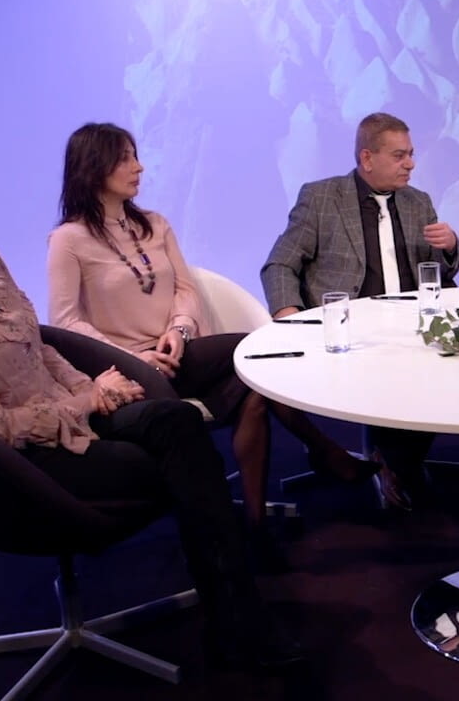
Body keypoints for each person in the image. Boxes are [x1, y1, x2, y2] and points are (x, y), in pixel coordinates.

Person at [0, 154, 303, 670]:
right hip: (32, 460)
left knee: (179, 422)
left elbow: (40, 347)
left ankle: (230, 613)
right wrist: (85, 399)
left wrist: (94, 388)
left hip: (77, 413)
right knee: (181, 467)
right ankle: (239, 617)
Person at [47, 123, 376, 540]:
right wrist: (133, 358)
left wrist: (179, 330)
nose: (139, 167)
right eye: (125, 158)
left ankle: (255, 525)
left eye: (136, 156)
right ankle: (324, 450)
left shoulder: (154, 224)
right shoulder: (68, 240)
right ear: (94, 166)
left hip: (178, 353)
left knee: (255, 384)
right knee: (252, 360)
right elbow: (66, 321)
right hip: (127, 371)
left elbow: (185, 289)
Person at [261, 112, 459, 509]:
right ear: (367, 158)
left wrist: (452, 246)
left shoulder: (418, 202)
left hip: (413, 324)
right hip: (351, 329)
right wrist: (289, 315)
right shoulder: (321, 198)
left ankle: (392, 463)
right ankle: (395, 468)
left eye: (411, 154)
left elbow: (439, 273)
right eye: (400, 156)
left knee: (446, 369)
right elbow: (279, 264)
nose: (411, 164)